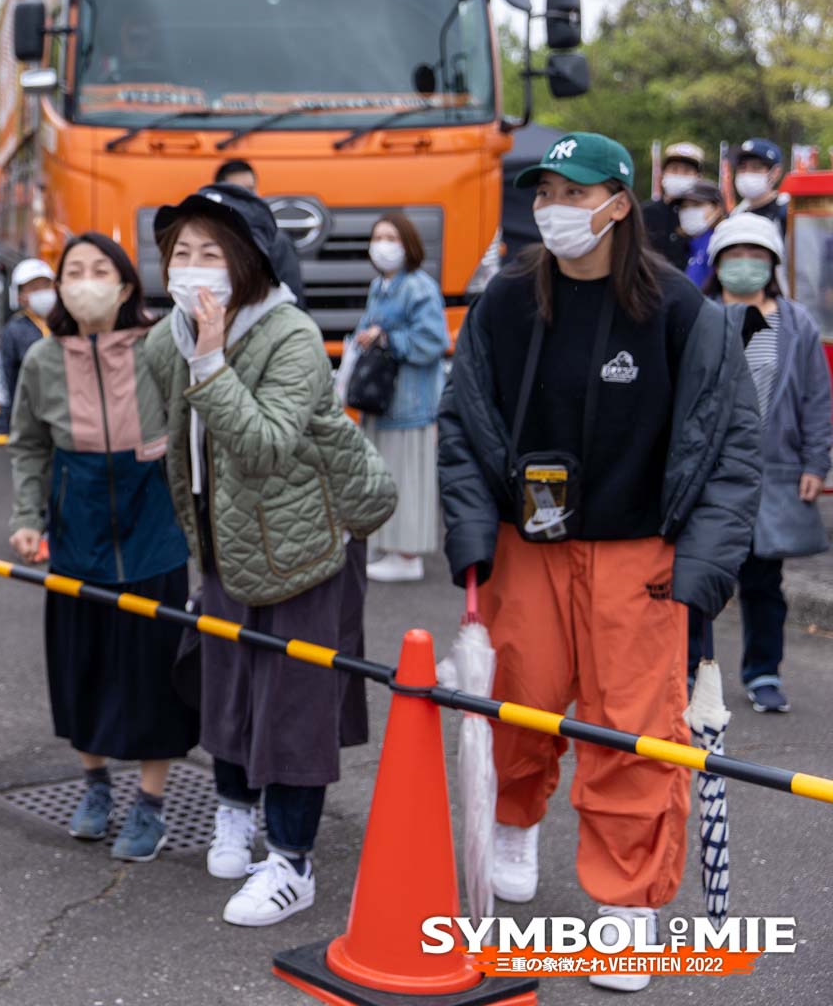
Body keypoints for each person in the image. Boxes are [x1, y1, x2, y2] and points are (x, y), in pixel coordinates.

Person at [438, 131, 760, 993]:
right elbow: (463, 425)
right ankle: (512, 824)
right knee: (518, 701)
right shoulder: (506, 303)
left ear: (619, 205)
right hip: (528, 544)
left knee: (632, 728)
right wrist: (469, 534)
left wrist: (704, 570)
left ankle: (626, 902)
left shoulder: (682, 311)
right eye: (545, 193)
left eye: (575, 195)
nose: (555, 209)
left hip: (640, 549)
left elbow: (732, 446)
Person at [146, 184, 394, 928]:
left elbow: (262, 447)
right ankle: (232, 810)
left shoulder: (290, 335)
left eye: (210, 252)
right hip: (224, 543)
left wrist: (212, 362)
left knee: (293, 702)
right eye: (181, 253)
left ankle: (292, 861)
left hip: (304, 544)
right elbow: (169, 433)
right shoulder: (169, 338)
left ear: (249, 260)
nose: (192, 267)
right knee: (225, 679)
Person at [8, 233, 196, 862]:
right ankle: (94, 785)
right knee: (80, 665)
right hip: (77, 525)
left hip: (154, 522)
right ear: (59, 287)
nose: (84, 281)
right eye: (73, 271)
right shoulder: (41, 359)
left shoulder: (161, 346)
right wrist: (27, 516)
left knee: (155, 671)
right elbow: (28, 444)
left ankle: (151, 804)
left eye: (99, 270)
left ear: (125, 286)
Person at [689, 215, 831, 714]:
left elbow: (816, 398)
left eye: (756, 255)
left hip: (773, 474)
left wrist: (815, 462)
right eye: (734, 255)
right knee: (700, 576)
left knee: (764, 581)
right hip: (708, 474)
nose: (745, 264)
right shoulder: (699, 316)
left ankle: (763, 672)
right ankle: (690, 669)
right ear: (717, 262)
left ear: (772, 263)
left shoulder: (797, 324)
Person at [352, 212, 449, 582]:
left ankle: (407, 555)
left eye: (391, 238)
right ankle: (391, 547)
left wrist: (388, 339)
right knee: (385, 477)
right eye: (377, 237)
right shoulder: (379, 286)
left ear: (408, 244)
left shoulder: (419, 287)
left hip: (410, 403)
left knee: (408, 478)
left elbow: (433, 341)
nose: (382, 245)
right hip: (381, 401)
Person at [210, 158, 303, 301]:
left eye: (251, 189)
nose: (249, 196)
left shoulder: (275, 242)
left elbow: (293, 299)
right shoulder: (206, 239)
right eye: (239, 191)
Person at [0, 258, 54, 445]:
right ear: (19, 295)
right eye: (34, 288)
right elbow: (0, 377)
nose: (42, 292)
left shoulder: (68, 325)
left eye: (46, 286)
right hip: (28, 424)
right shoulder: (13, 331)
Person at [641, 141, 709, 272]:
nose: (679, 175)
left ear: (698, 177)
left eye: (687, 171)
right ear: (663, 174)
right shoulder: (645, 212)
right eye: (674, 169)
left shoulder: (704, 215)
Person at [677, 179, 727, 288]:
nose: (689, 211)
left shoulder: (720, 243)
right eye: (684, 207)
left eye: (696, 205)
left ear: (717, 208)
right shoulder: (689, 245)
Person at [732, 137, 788, 233]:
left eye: (756, 167)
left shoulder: (787, 212)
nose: (747, 173)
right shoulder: (735, 215)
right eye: (742, 167)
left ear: (775, 172)